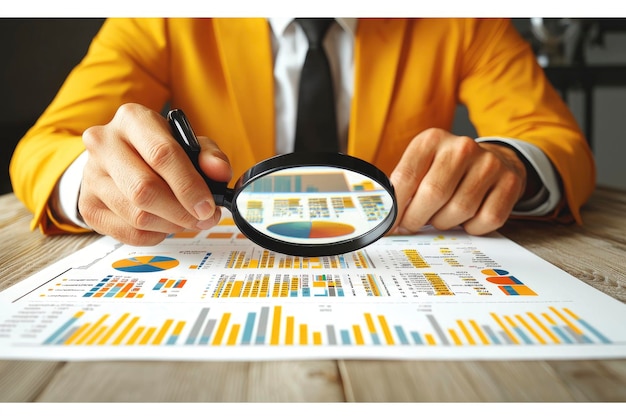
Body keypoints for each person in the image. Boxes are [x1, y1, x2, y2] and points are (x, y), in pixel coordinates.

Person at [9, 18, 596, 247]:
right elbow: (47, 143)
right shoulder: (162, 15)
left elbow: (552, 138)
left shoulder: (461, 16)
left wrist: (511, 163)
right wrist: (91, 179)